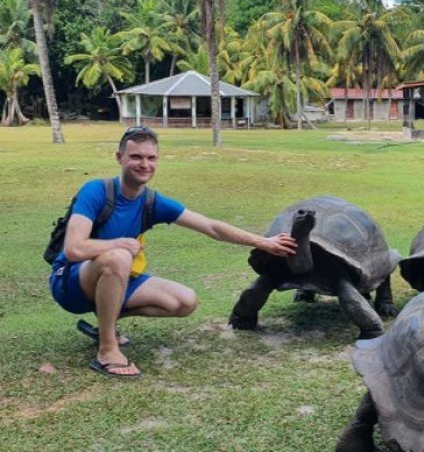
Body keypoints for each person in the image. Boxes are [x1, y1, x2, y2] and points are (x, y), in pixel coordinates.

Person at [49, 127, 297, 378]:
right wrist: (120, 244)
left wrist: (263, 242)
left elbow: (211, 227)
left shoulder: (152, 202)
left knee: (184, 301)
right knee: (120, 256)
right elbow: (74, 248)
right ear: (119, 157)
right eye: (136, 157)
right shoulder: (97, 191)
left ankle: (105, 320)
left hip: (112, 277)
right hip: (70, 283)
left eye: (151, 158)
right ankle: (107, 349)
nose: (144, 164)